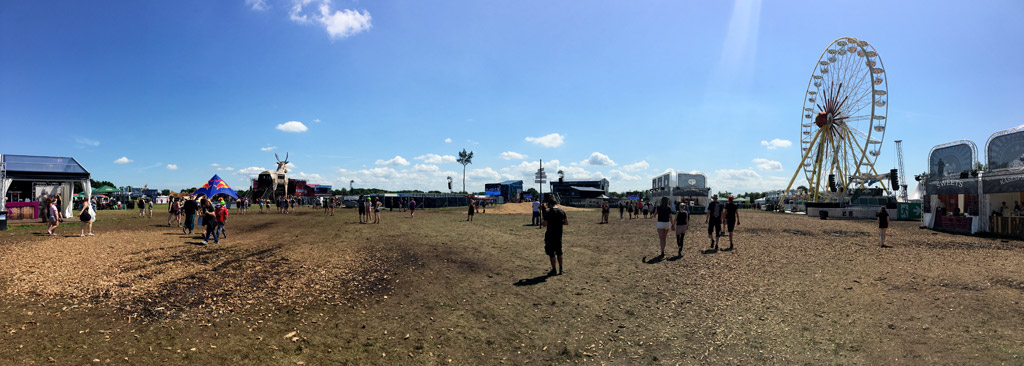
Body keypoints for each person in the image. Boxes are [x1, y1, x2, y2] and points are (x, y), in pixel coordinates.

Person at [541, 196, 568, 275]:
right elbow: (566, 222)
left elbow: (544, 224)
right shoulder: (562, 211)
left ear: (550, 204)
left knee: (551, 253)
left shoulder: (548, 212)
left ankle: (554, 269)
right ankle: (561, 269)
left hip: (550, 235)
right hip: (558, 235)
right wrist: (559, 223)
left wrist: (543, 221)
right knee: (559, 252)